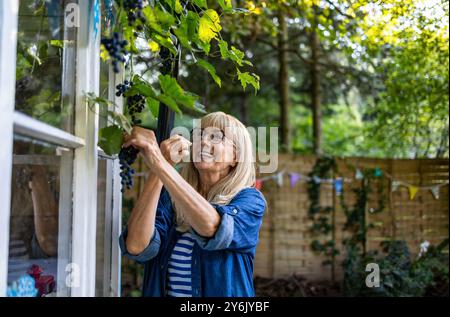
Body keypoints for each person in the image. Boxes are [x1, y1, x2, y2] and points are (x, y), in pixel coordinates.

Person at [119, 111, 267, 297]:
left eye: (215, 137)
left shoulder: (251, 200)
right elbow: (135, 246)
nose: (203, 142)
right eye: (199, 135)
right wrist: (160, 167)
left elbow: (213, 227)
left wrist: (158, 160)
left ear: (236, 156)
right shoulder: (170, 198)